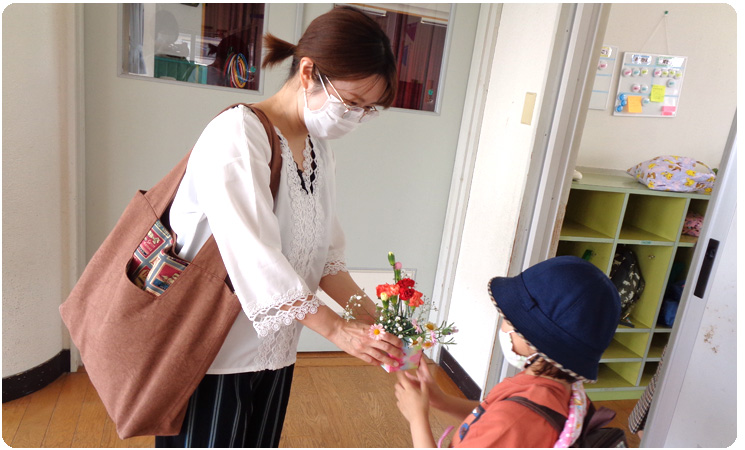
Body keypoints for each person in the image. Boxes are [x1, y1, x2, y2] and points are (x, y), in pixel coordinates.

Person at [155, 6, 402, 448]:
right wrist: (337, 330)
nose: (355, 118)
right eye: (353, 103)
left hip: (275, 351)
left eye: (367, 111)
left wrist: (373, 318)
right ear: (308, 71)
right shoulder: (237, 134)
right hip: (214, 352)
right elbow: (254, 257)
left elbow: (325, 254)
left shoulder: (316, 148)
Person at [395, 256, 622, 447]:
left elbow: (505, 421)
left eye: (508, 320)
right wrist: (442, 401)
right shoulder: (555, 389)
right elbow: (490, 415)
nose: (503, 327)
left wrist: (417, 418)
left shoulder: (514, 420)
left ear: (534, 341)